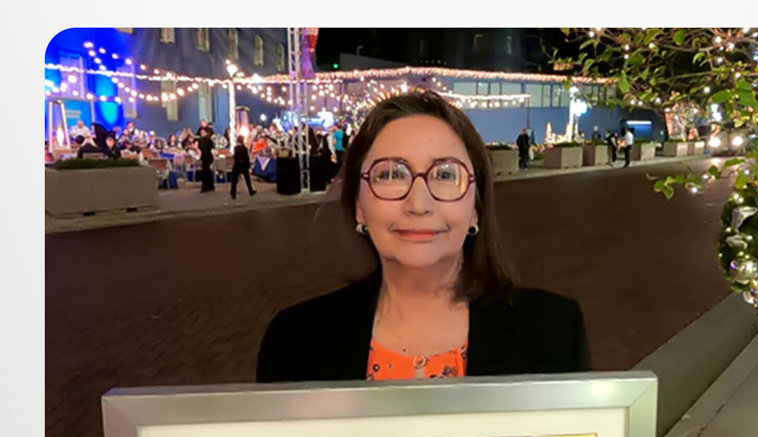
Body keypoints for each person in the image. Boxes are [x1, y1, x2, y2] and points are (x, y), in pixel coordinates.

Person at [256, 90, 591, 383]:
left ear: (476, 208)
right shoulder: (294, 342)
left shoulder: (554, 333)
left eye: (445, 174)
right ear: (359, 205)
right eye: (391, 174)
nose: (418, 204)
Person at [230, 135, 257, 199]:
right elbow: (247, 157)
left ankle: (233, 193)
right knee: (247, 179)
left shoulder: (236, 148)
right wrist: (248, 165)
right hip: (244, 166)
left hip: (237, 165)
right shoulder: (244, 148)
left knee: (234, 180)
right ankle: (250, 191)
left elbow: (235, 157)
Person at [197, 127, 215, 192]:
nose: (202, 133)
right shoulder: (208, 140)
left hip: (206, 157)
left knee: (205, 172)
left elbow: (202, 148)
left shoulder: (205, 140)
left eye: (203, 132)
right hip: (207, 157)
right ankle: (210, 186)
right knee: (207, 172)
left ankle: (206, 187)